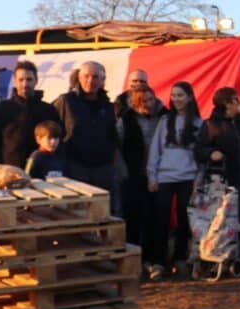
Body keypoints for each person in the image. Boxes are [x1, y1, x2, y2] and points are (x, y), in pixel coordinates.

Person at [145, 82, 203, 280]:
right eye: (174, 95)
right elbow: (155, 150)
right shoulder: (164, 121)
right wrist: (152, 176)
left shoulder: (198, 123)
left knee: (184, 220)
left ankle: (180, 259)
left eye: (180, 95)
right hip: (165, 177)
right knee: (160, 219)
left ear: (189, 97)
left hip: (188, 178)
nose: (176, 99)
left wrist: (198, 179)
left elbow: (201, 155)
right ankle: (159, 262)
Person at [196, 87, 240, 226]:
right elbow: (199, 150)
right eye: (236, 99)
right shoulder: (211, 125)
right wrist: (210, 153)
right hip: (224, 181)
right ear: (227, 103)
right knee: (225, 220)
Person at [52, 62, 118, 192]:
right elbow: (52, 129)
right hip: (74, 168)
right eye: (86, 76)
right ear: (79, 78)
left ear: (102, 80)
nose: (90, 81)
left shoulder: (108, 106)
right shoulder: (66, 101)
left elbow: (113, 136)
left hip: (102, 169)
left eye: (95, 77)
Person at [0, 60, 61, 169]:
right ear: (15, 82)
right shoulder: (3, 109)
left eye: (29, 79)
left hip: (41, 170)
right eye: (21, 80)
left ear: (36, 81)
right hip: (10, 170)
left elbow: (58, 141)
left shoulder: (48, 110)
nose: (25, 84)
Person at [116, 87, 163, 249]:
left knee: (156, 216)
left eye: (151, 100)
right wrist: (124, 172)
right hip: (133, 174)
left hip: (159, 174)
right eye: (143, 101)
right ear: (135, 103)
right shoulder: (125, 120)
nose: (148, 104)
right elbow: (118, 147)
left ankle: (153, 255)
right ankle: (134, 251)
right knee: (133, 215)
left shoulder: (164, 117)